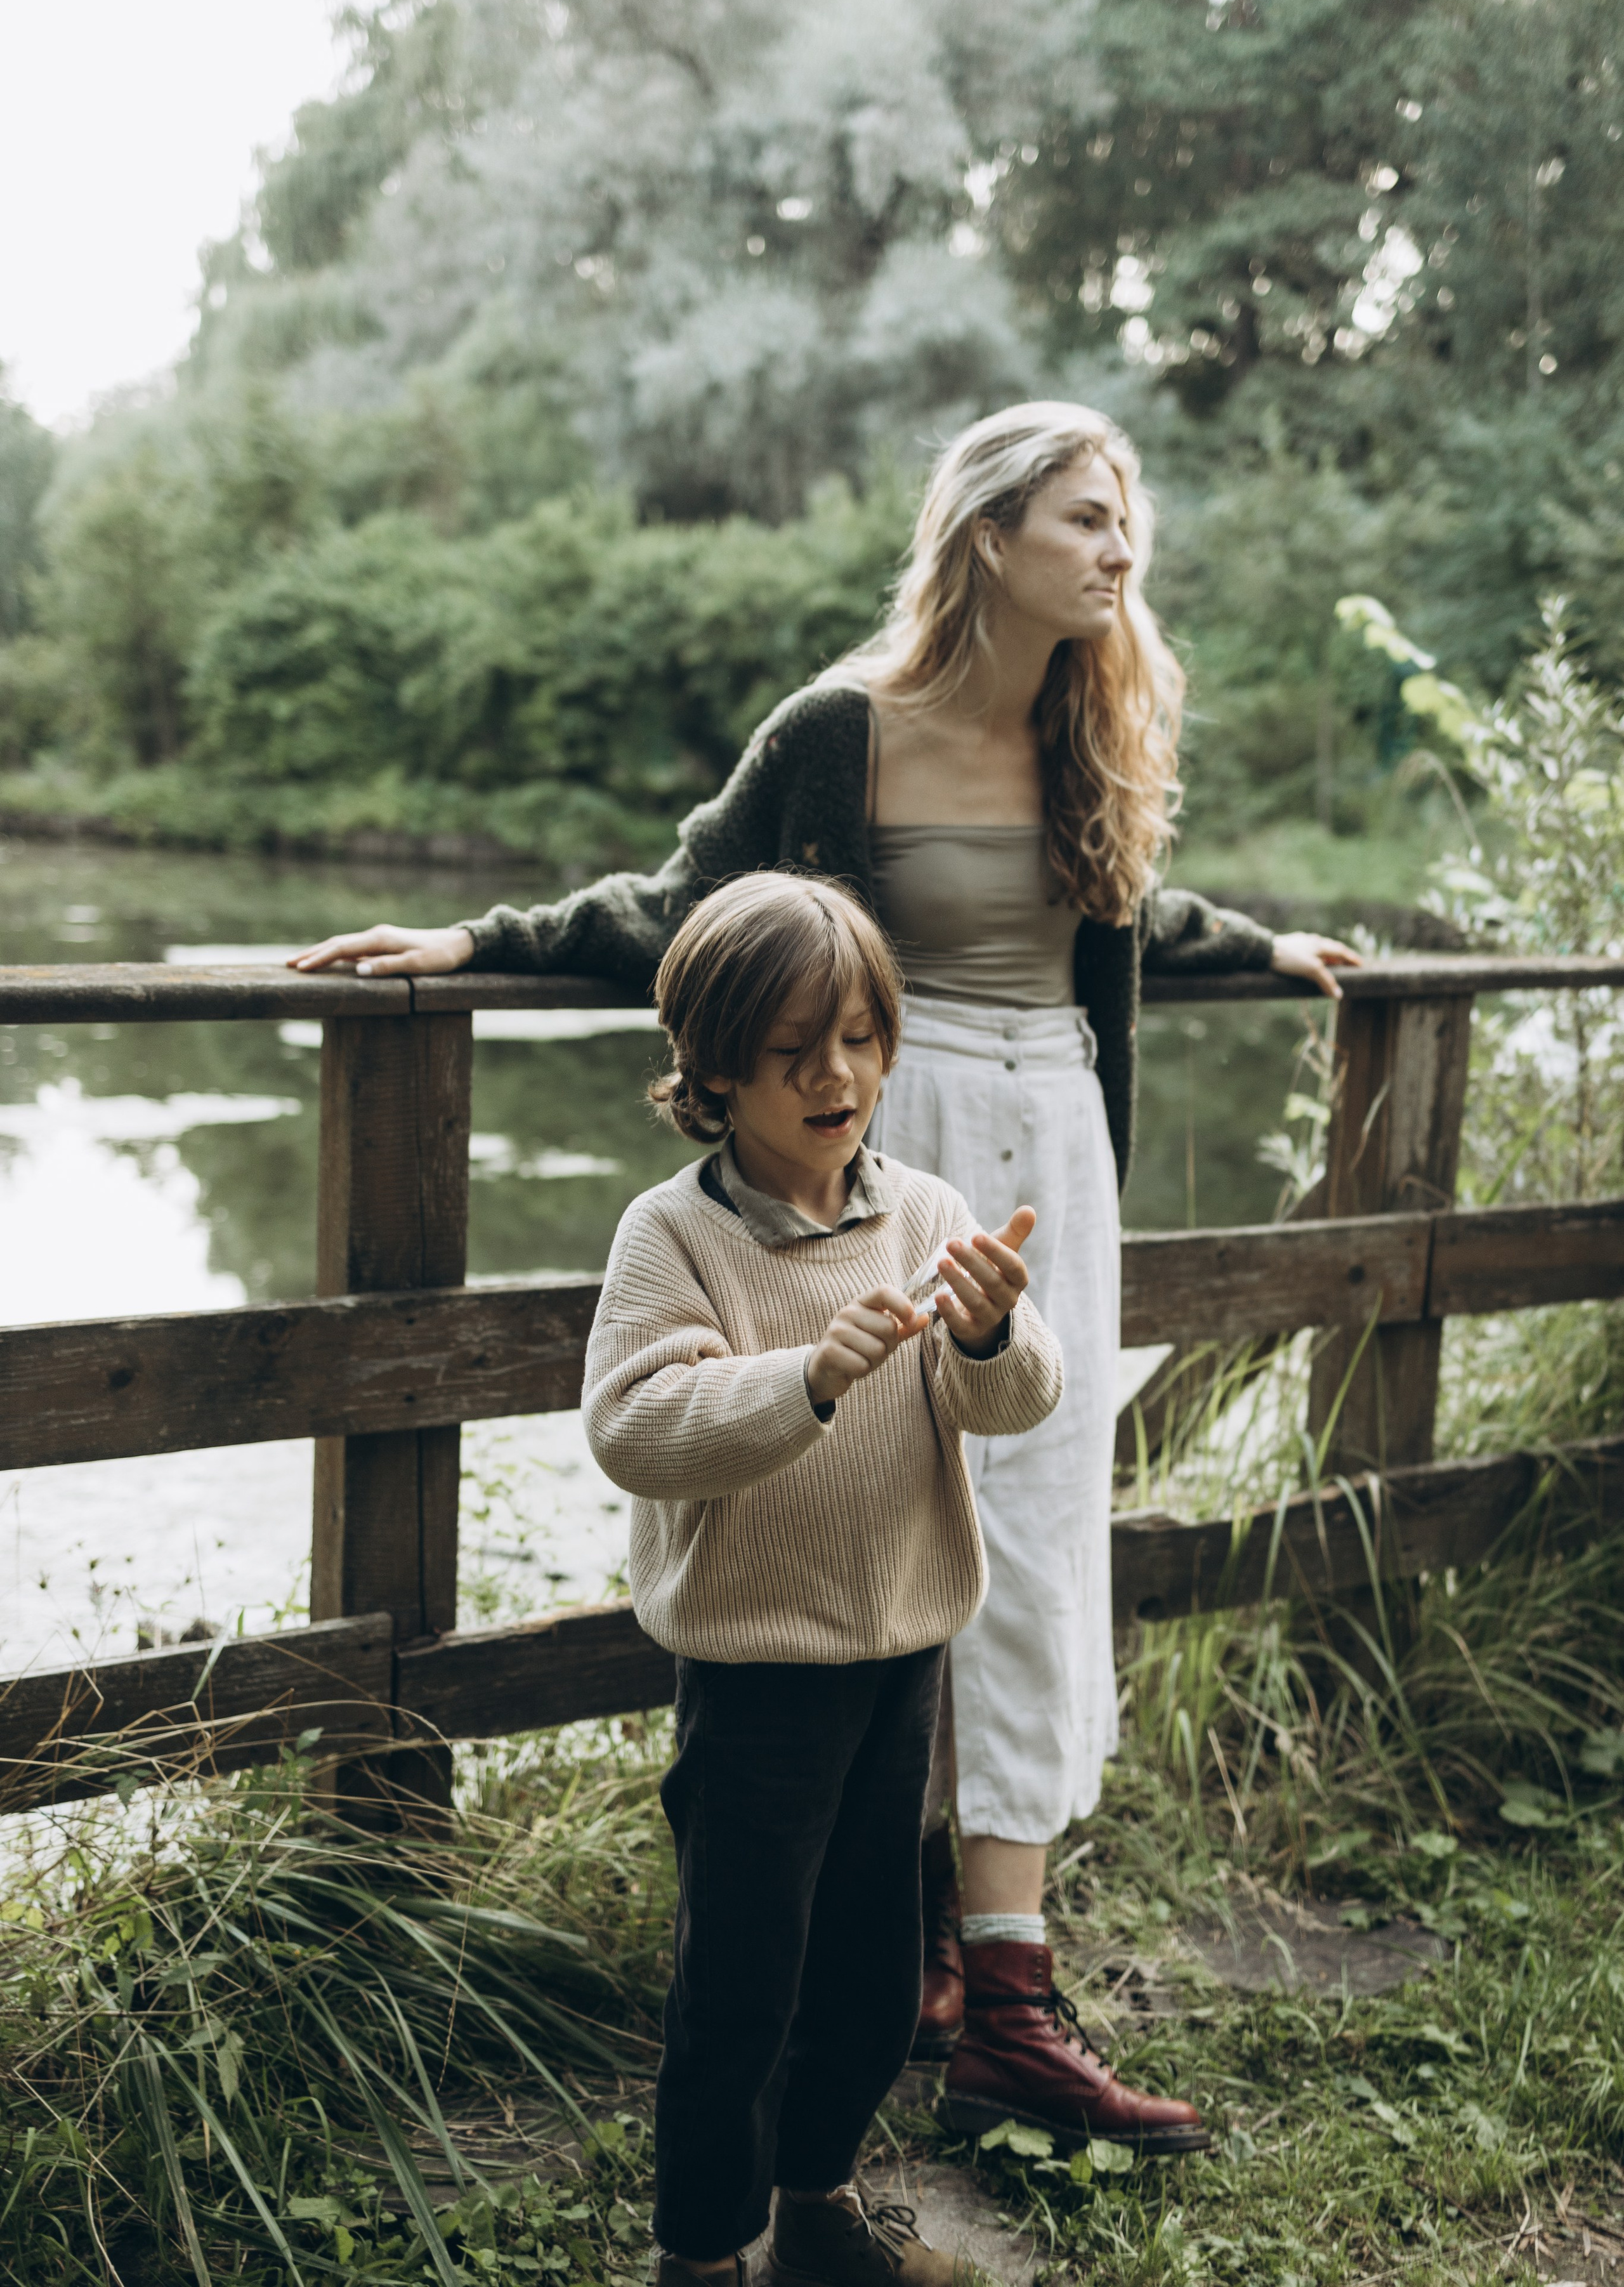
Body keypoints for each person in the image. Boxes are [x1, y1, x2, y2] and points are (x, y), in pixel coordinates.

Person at [289, 396, 1358, 2147]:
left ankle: (1004, 1977)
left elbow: (1129, 920)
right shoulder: (842, 734)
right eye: (1087, 517)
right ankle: (919, 1935)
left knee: (1038, 1524)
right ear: (990, 531)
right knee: (886, 1506)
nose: (1119, 548)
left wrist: (1265, 944)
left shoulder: (1091, 737)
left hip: (1056, 1150)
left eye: (1125, 521)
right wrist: (478, 940)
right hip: (892, 1127)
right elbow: (689, 897)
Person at [583, 870, 1063, 2287]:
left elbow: (1012, 1406)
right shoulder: (674, 1238)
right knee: (738, 1990)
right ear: (714, 1069)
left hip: (900, 1657)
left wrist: (988, 1338)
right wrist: (800, 1374)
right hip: (752, 1680)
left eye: (860, 1037)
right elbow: (634, 1431)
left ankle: (814, 2202)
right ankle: (701, 2250)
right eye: (796, 1050)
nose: (838, 1073)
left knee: (866, 1983)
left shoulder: (921, 1211)